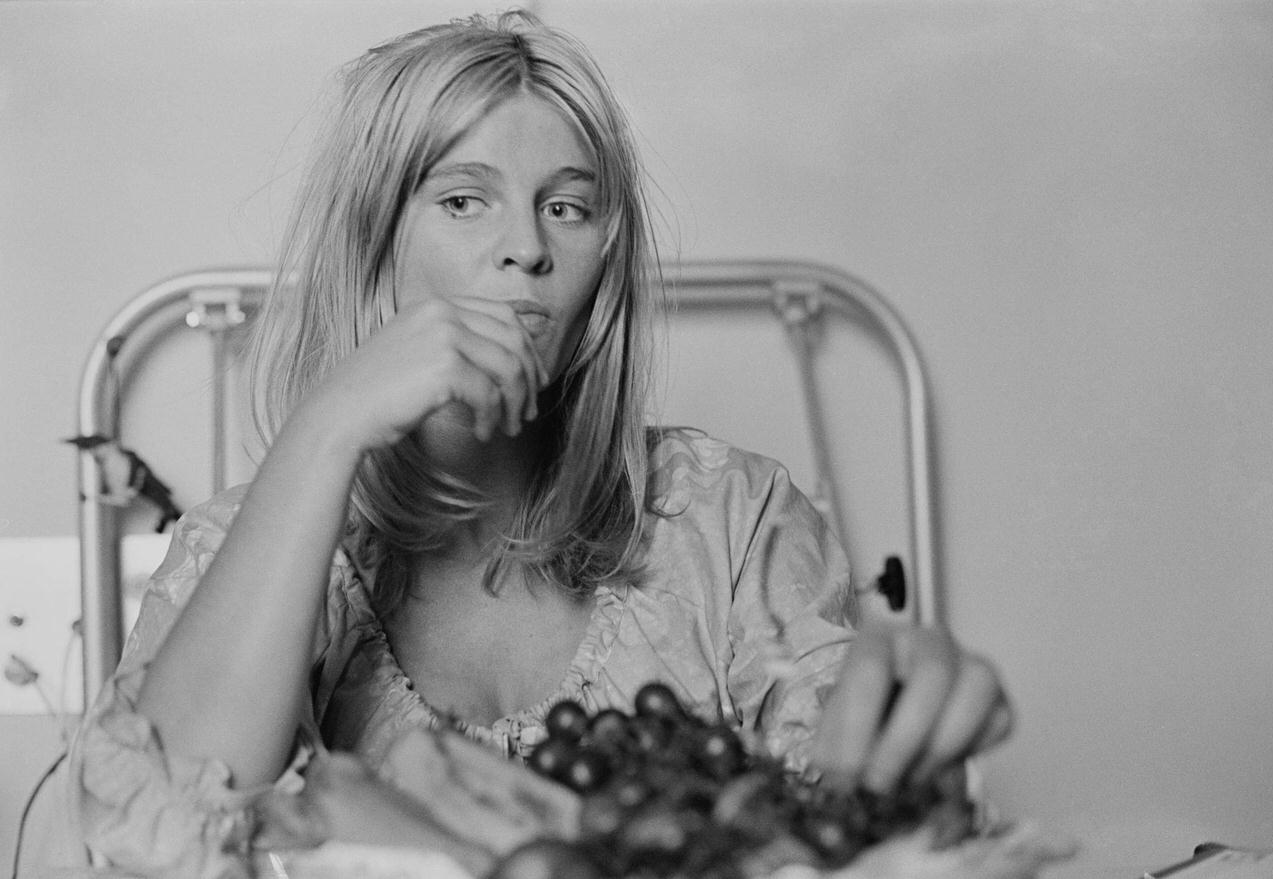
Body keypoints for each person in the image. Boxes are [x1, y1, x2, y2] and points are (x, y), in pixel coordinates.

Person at [68, 11, 1018, 879]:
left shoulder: (737, 521)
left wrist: (914, 739)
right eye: (463, 200)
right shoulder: (238, 546)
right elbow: (150, 842)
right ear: (373, 245)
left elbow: (853, 830)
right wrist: (326, 429)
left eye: (566, 206)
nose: (525, 246)